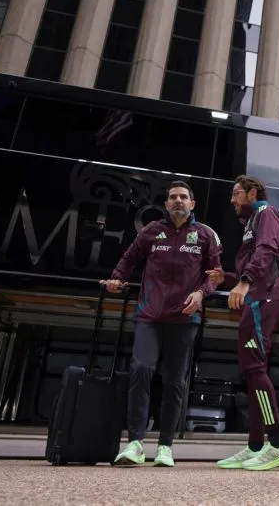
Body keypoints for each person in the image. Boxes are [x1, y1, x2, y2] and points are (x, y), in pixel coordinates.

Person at [103, 181, 221, 467]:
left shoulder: (205, 235)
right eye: (172, 197)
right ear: (166, 204)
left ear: (192, 204)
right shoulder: (151, 231)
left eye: (183, 197)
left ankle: (165, 446)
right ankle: (135, 444)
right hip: (149, 315)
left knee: (174, 380)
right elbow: (129, 258)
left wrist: (201, 293)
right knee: (141, 369)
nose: (178, 201)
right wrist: (118, 278)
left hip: (184, 318)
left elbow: (215, 275)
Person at [206, 175, 279, 471]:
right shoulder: (251, 222)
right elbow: (257, 262)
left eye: (236, 194)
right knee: (253, 371)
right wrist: (229, 280)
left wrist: (244, 283)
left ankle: (278, 442)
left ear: (252, 192)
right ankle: (256, 445)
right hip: (258, 296)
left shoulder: (265, 213)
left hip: (263, 297)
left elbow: (268, 251)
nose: (232, 200)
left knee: (254, 369)